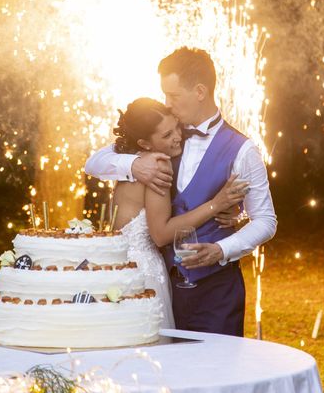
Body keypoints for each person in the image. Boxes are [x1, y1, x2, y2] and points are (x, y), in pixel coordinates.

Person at [85, 47, 277, 336]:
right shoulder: (164, 136)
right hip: (165, 287)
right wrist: (136, 165)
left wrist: (221, 250)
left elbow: (265, 221)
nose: (167, 103)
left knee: (214, 374)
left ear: (199, 91)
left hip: (216, 293)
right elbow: (94, 162)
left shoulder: (243, 150)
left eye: (173, 96)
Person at [107, 97, 249, 329]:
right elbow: (161, 235)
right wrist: (216, 203)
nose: (177, 137)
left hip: (119, 266)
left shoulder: (130, 162)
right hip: (146, 270)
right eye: (166, 135)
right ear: (145, 143)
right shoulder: (158, 165)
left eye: (176, 128)